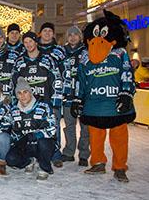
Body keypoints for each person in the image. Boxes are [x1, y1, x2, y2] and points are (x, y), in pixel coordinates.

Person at [73, 10, 136, 182]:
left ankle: (120, 166)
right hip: (94, 104)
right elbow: (81, 80)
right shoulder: (85, 56)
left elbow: (127, 74)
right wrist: (78, 99)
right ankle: (98, 162)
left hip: (115, 104)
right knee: (96, 136)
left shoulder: (120, 53)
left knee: (120, 137)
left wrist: (126, 94)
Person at [12, 31, 63, 167]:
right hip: (26, 102)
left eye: (31, 41)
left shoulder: (48, 59)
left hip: (45, 100)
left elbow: (57, 79)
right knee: (29, 129)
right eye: (26, 42)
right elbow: (14, 82)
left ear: (36, 42)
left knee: (52, 127)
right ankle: (31, 154)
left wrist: (56, 100)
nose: (28, 44)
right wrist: (14, 100)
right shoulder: (20, 61)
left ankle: (55, 154)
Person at [6, 77, 56, 180]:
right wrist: (17, 141)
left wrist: (34, 135)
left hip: (41, 144)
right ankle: (30, 161)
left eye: (25, 92)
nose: (22, 95)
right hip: (26, 147)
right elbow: (10, 129)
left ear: (30, 92)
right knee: (10, 159)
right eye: (19, 93)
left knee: (44, 143)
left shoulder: (43, 106)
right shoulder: (13, 109)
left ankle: (44, 168)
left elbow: (52, 129)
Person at [38, 22, 68, 167]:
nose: (48, 33)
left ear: (53, 34)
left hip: (53, 94)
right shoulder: (34, 48)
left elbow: (65, 71)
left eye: (50, 31)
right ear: (40, 33)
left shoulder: (59, 50)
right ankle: (37, 152)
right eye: (45, 30)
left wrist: (63, 90)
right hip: (36, 95)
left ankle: (55, 153)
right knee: (36, 124)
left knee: (54, 125)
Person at [61, 26, 90, 166]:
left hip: (84, 95)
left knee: (85, 126)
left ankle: (84, 154)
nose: (73, 37)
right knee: (69, 125)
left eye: (75, 35)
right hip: (68, 95)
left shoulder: (86, 50)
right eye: (70, 35)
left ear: (80, 36)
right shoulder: (62, 51)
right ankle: (69, 151)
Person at [0, 27, 20, 98]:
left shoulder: (14, 54)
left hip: (11, 95)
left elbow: (19, 74)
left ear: (4, 38)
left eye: (0, 38)